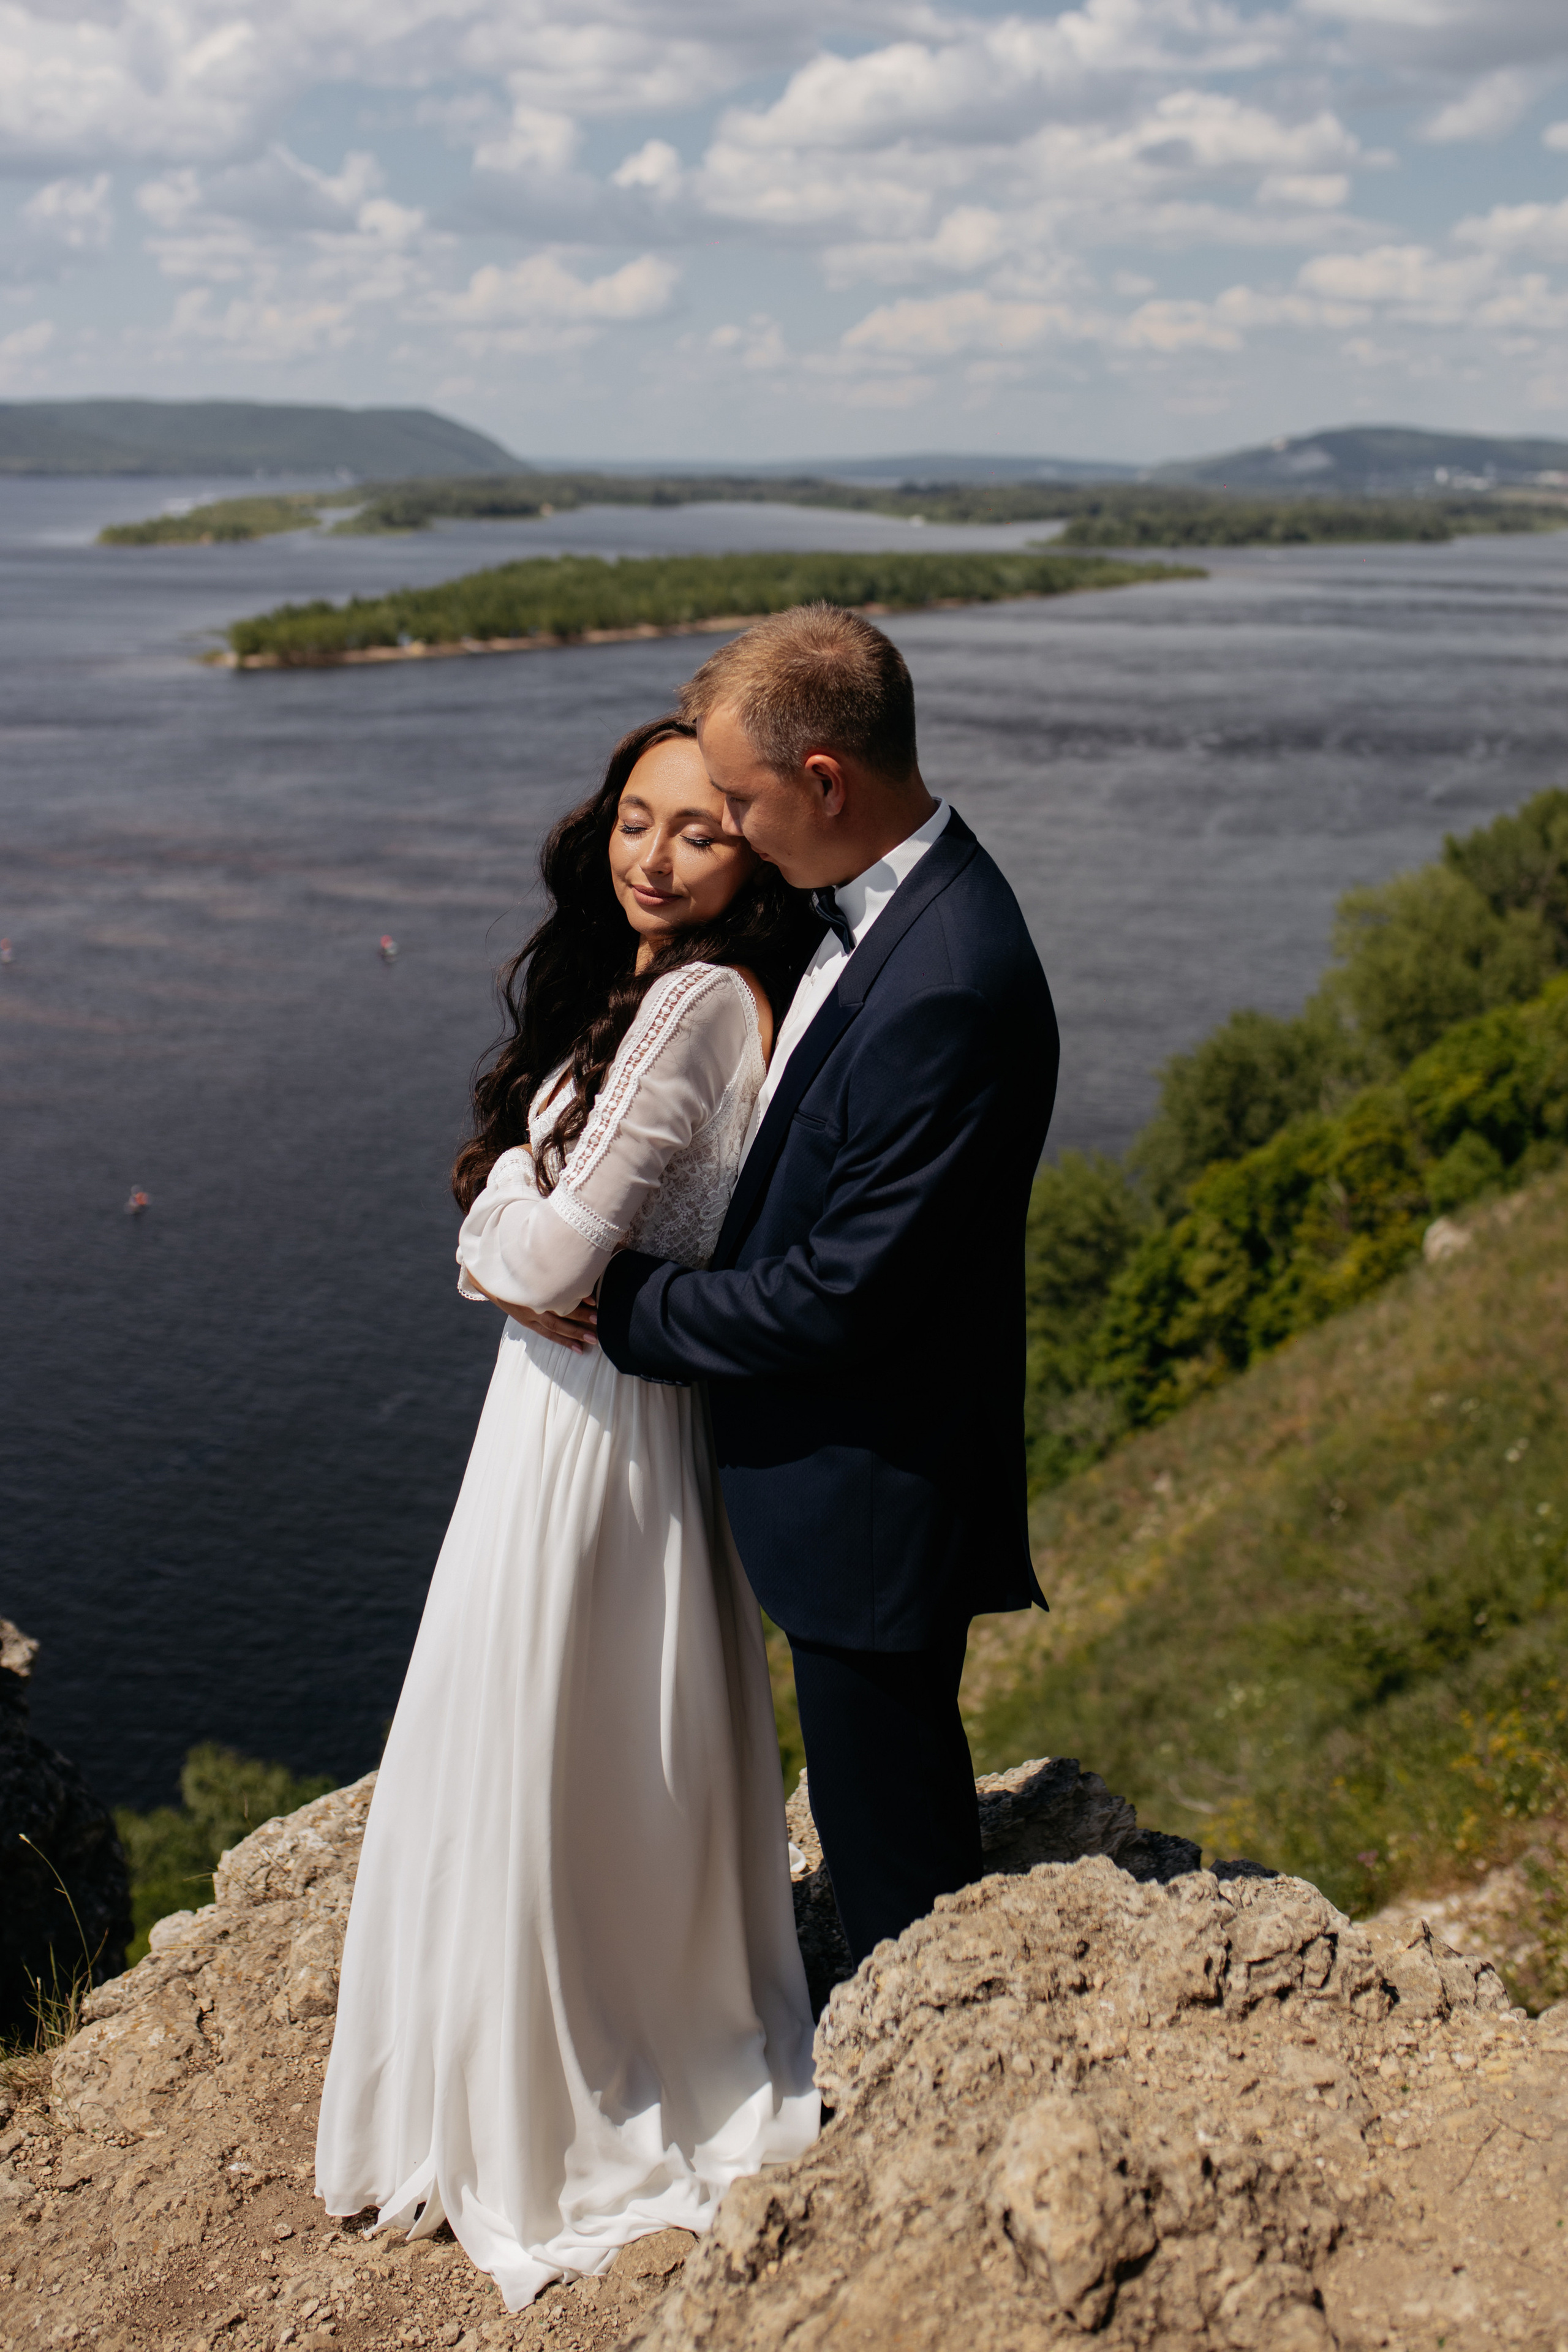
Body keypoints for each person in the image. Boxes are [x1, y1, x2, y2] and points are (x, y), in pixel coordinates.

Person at [316, 715, 821, 2311]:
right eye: (634, 818)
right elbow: (531, 1237)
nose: (648, 855)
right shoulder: (713, 988)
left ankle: (544, 2080)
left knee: (542, 1736)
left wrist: (492, 1238)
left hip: (586, 1428)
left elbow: (536, 1261)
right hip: (612, 1422)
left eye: (694, 833)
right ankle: (608, 2013)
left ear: (755, 856)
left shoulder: (684, 1005)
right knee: (599, 1747)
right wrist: (509, 1234)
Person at [597, 605, 1059, 1966]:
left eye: (734, 801)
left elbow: (840, 1295)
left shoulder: (947, 980)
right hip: (848, 1474)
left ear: (821, 784)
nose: (725, 832)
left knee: (895, 1852)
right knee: (874, 1809)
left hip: (872, 1494)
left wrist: (620, 1309)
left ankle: (924, 2098)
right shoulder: (871, 909)